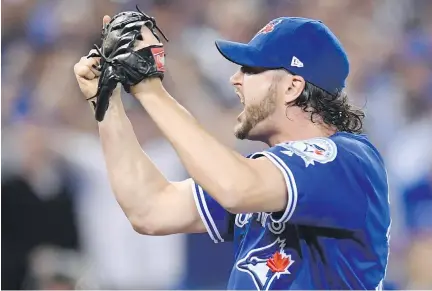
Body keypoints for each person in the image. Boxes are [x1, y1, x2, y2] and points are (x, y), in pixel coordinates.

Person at [73, 15, 390, 290]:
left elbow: (237, 189)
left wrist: (149, 89)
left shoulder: (345, 159)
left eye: (251, 70)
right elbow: (151, 209)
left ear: (292, 87)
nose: (235, 79)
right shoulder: (262, 176)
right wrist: (107, 104)